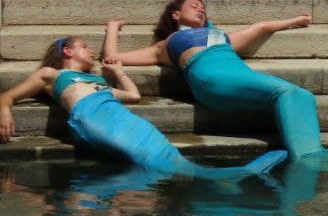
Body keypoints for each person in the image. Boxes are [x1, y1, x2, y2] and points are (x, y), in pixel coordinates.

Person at [101, 0, 328, 163]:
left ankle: (310, 154)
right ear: (176, 14)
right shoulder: (167, 44)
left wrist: (297, 20)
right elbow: (113, 57)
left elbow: (261, 27)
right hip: (210, 79)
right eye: (193, 6)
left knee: (301, 95)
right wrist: (112, 28)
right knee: (288, 94)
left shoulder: (222, 36)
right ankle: (309, 161)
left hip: (239, 76)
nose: (201, 9)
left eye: (204, 8)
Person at [0, 34, 287, 179]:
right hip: (91, 117)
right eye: (84, 46)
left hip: (121, 116)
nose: (89, 50)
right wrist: (4, 110)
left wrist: (118, 73)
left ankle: (218, 177)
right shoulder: (52, 75)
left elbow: (133, 96)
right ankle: (223, 178)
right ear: (67, 51)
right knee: (149, 162)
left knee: (169, 158)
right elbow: (7, 96)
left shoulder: (97, 79)